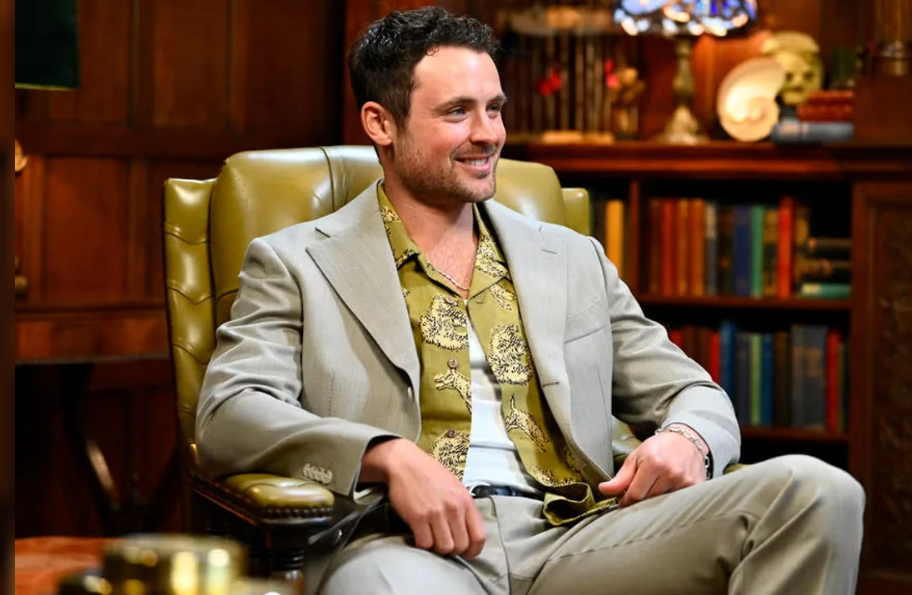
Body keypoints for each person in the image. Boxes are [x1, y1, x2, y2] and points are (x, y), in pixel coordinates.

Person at [196, 7, 864, 595]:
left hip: (583, 535)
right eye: (457, 112)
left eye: (494, 108)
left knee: (818, 491)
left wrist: (689, 438)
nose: (488, 133)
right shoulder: (295, 261)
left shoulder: (572, 258)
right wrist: (386, 455)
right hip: (406, 544)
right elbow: (230, 412)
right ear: (381, 123)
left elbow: (692, 390)